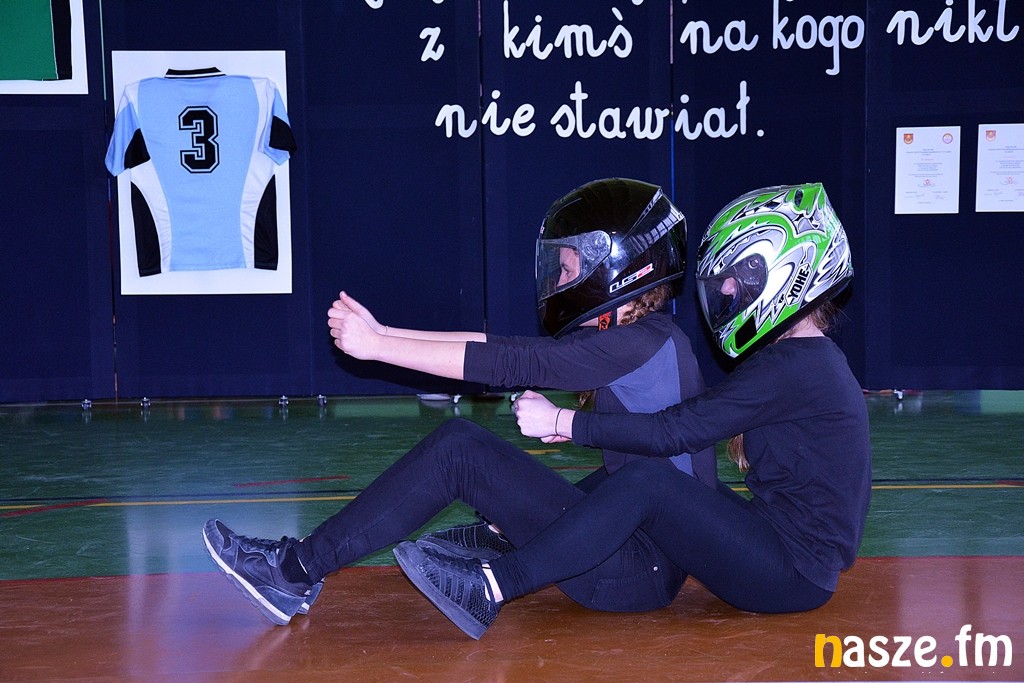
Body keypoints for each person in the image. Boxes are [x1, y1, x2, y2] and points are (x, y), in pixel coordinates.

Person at [203, 178, 717, 627]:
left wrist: (379, 348)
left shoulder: (639, 343)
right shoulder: (648, 339)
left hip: (632, 569)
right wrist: (385, 333)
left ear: (617, 269)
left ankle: (292, 572)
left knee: (459, 450)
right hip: (629, 553)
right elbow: (501, 347)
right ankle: (299, 567)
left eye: (566, 269)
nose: (560, 282)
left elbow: (510, 361)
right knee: (465, 451)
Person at [391, 182, 872, 640]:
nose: (726, 290)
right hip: (779, 549)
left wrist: (564, 422)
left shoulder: (800, 366)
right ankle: (507, 534)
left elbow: (675, 431)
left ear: (791, 272)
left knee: (650, 480)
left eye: (737, 277)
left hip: (793, 574)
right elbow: (687, 425)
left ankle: (493, 587)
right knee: (653, 475)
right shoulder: (802, 360)